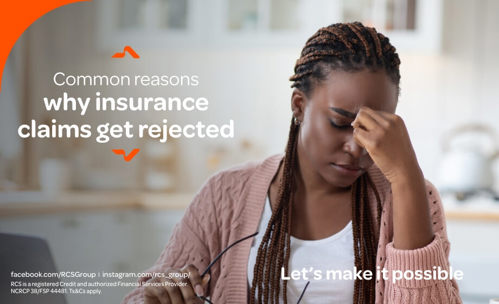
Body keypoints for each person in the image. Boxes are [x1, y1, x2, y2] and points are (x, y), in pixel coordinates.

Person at [121, 21, 462, 304]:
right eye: (340, 123)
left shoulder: (410, 197)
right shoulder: (225, 194)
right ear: (299, 105)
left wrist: (406, 178)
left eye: (373, 130)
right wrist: (159, 297)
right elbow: (146, 295)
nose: (356, 148)